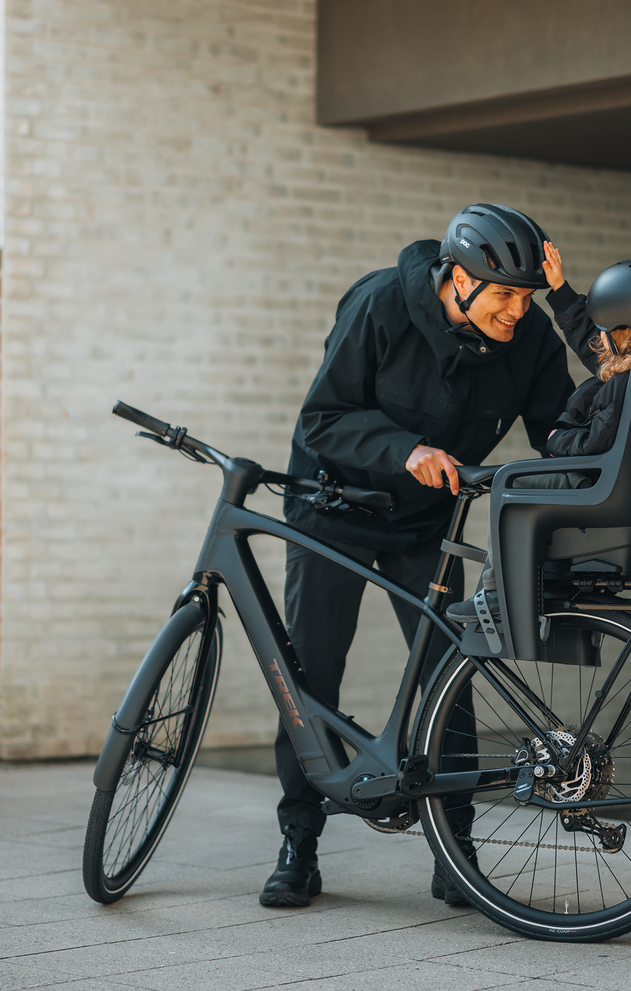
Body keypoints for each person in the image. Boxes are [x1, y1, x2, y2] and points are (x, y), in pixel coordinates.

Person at [261, 204, 575, 909]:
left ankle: (453, 850)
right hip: (330, 510)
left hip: (426, 524)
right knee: (309, 679)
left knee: (448, 682)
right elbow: (322, 417)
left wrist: (578, 317)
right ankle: (298, 844)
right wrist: (405, 449)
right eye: (502, 295)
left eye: (526, 297)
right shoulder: (379, 305)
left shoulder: (526, 339)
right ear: (456, 279)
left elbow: (563, 428)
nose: (515, 312)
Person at [447, 249, 631, 624]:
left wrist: (555, 439)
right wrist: (560, 290)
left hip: (595, 485)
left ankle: (496, 595)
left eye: (604, 329)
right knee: (520, 486)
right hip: (623, 490)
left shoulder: (626, 384)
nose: (597, 337)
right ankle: (545, 580)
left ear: (623, 331)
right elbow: (591, 347)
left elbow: (593, 443)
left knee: (510, 487)